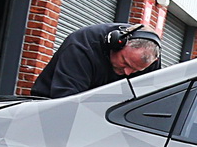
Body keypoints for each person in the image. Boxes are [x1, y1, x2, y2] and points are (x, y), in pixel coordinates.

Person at [28, 22, 163, 99]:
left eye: (136, 70)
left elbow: (147, 100)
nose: (128, 72)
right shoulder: (81, 46)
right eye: (125, 62)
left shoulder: (150, 60)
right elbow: (66, 100)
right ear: (117, 43)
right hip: (50, 107)